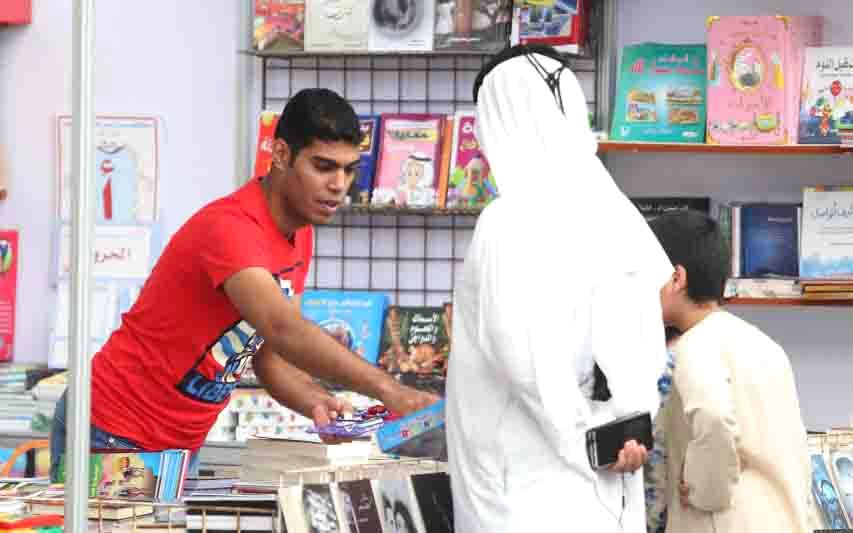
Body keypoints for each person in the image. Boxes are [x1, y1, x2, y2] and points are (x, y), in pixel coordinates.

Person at [50, 88, 438, 481]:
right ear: (281, 154)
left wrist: (318, 401)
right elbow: (283, 329)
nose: (339, 184)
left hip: (179, 443)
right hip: (113, 427)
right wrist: (390, 390)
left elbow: (271, 357)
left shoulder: (298, 234)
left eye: (349, 169)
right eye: (323, 167)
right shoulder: (230, 227)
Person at [445, 44, 675, 532]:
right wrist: (624, 430)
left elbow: (524, 364)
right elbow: (643, 348)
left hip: (526, 487)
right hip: (610, 475)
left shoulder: (506, 222)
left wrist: (584, 440)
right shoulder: (615, 217)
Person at [648, 211, 812, 533]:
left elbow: (714, 417)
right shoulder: (764, 345)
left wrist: (704, 491)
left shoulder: (693, 346)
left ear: (676, 279)